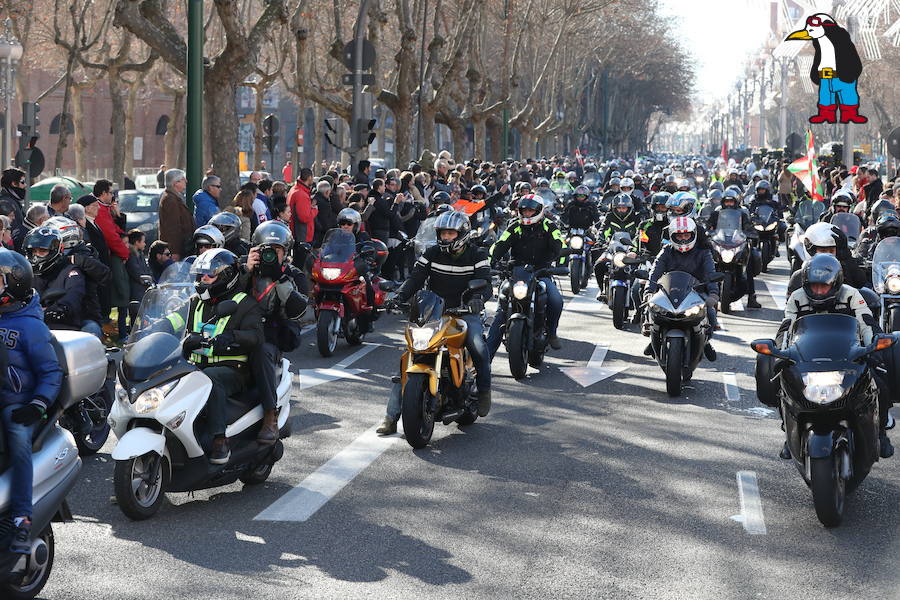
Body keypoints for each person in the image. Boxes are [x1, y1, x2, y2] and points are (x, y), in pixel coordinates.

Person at [378, 210, 493, 435]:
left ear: (462, 234)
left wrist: (479, 299)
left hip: (464, 311)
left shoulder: (477, 254)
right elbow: (415, 279)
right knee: (408, 358)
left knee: (478, 346)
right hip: (433, 312)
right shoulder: (431, 253)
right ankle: (391, 417)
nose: (446, 238)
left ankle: (484, 392)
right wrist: (399, 297)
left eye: (450, 233)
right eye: (443, 233)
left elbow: (486, 283)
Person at [779, 253, 892, 458]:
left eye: (824, 286)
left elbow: (866, 323)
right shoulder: (797, 298)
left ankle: (881, 433)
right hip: (808, 360)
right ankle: (789, 434)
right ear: (806, 283)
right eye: (814, 286)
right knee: (784, 386)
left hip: (848, 357)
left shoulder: (851, 295)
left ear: (836, 283)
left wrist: (873, 348)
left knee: (880, 386)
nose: (819, 291)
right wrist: (782, 353)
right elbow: (786, 329)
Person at [166, 249, 264, 463]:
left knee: (211, 378)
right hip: (193, 366)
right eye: (200, 275)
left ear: (226, 276)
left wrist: (231, 337)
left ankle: (220, 440)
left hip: (232, 370)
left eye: (209, 275)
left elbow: (256, 336)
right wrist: (152, 328)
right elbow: (173, 320)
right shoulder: (195, 302)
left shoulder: (244, 303)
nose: (203, 280)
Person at [0, 248, 63, 553]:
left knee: (18, 442)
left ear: (14, 284)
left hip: (17, 402)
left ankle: (21, 518)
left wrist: (37, 404)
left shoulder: (30, 326)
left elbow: (52, 372)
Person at [241, 222, 308, 443]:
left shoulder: (293, 275)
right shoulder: (244, 269)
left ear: (285, 252)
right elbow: (224, 294)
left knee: (261, 352)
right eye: (265, 249)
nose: (270, 254)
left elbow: (298, 309)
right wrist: (246, 270)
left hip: (270, 335)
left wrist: (279, 277)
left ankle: (270, 416)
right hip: (238, 331)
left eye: (276, 250)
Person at [487, 194, 565, 355]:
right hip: (517, 273)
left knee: (556, 299)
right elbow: (500, 244)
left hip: (542, 272)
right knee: (501, 311)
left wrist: (561, 264)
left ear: (538, 211)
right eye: (524, 210)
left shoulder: (549, 226)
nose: (527, 214)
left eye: (531, 211)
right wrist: (489, 263)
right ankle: (485, 358)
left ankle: (551, 333)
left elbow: (560, 246)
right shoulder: (514, 226)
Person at [644, 216, 719, 358]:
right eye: (679, 236)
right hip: (669, 292)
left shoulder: (704, 252)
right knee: (652, 308)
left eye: (687, 235)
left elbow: (711, 274)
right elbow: (654, 272)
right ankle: (652, 335)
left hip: (696, 293)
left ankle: (707, 341)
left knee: (711, 312)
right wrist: (649, 291)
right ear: (672, 236)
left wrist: (713, 294)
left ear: (694, 235)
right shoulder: (666, 251)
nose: (684, 239)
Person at [707, 188, 761, 308]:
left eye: (731, 202)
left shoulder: (742, 213)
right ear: (723, 202)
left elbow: (748, 227)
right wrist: (707, 230)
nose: (729, 204)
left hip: (736, 243)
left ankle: (752, 297)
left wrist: (750, 232)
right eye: (727, 202)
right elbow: (709, 225)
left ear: (736, 202)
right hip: (721, 242)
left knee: (750, 260)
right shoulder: (717, 213)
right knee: (706, 257)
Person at [24, 227, 87, 329]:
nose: (36, 255)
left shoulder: (70, 271)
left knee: (92, 329)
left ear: (55, 250)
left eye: (42, 250)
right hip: (30, 325)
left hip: (64, 326)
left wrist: (54, 310)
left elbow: (73, 296)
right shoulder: (27, 273)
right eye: (33, 251)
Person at [158, 169, 196, 261]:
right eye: (183, 179)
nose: (186, 181)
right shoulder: (170, 200)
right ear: (176, 182)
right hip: (176, 250)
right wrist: (174, 251)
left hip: (180, 247)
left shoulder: (174, 197)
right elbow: (172, 228)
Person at [125, 229, 151, 329]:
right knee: (135, 314)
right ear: (137, 242)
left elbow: (146, 269)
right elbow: (137, 273)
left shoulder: (139, 254)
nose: (145, 244)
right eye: (143, 241)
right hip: (136, 290)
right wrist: (146, 279)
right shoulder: (132, 256)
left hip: (142, 290)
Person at [287, 168, 316, 256]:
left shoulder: (295, 189)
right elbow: (304, 218)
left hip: (297, 233)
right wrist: (314, 209)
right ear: (310, 177)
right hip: (302, 235)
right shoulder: (301, 194)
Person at [0, 167, 28, 250]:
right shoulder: (6, 203)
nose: (25, 185)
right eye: (22, 182)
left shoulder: (11, 201)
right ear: (14, 184)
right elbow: (14, 232)